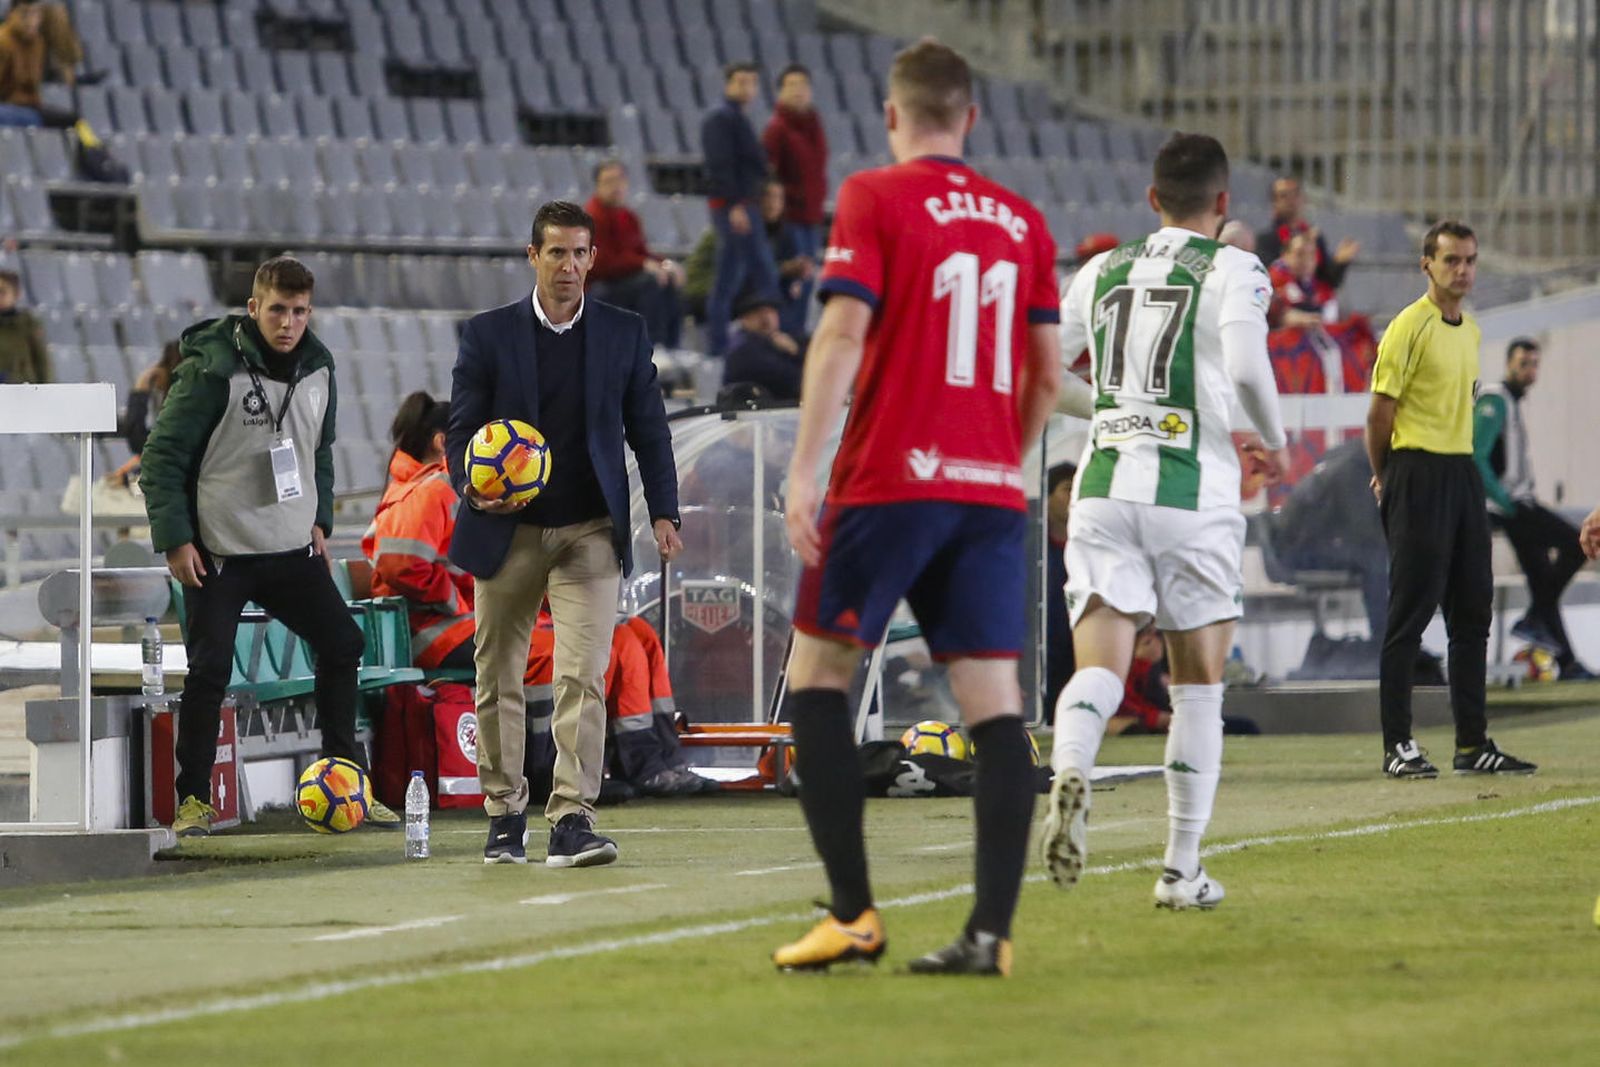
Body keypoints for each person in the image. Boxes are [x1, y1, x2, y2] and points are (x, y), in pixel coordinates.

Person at [770, 39, 1072, 977]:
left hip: (890, 479)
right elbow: (1051, 373)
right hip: (987, 492)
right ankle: (991, 932)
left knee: (817, 679)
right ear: (970, 119)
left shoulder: (872, 194)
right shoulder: (1024, 221)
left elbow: (840, 333)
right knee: (995, 709)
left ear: (893, 115)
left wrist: (804, 468)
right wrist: (999, 461)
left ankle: (856, 914)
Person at [1042, 133, 1290, 913]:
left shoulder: (1100, 269)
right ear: (1224, 205)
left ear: (1151, 200)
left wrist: (1114, 407)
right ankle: (1181, 869)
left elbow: (1043, 375)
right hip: (1194, 489)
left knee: (1100, 669)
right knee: (1196, 690)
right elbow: (1250, 369)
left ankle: (1073, 765)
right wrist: (1273, 441)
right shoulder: (1235, 266)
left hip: (1106, 483)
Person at [447, 200, 683, 867]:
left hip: (589, 530)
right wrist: (475, 484)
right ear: (533, 256)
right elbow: (461, 431)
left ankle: (573, 818)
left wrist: (664, 510)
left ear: (593, 259)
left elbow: (650, 429)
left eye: (581, 253)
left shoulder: (624, 332)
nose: (570, 266)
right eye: (557, 253)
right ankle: (503, 814)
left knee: (585, 673)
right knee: (497, 674)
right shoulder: (487, 335)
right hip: (507, 528)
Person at [139, 256, 391, 836]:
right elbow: (161, 458)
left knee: (343, 642)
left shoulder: (319, 365)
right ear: (253, 308)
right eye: (277, 309)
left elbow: (318, 451)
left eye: (300, 311)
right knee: (209, 672)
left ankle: (347, 777)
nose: (288, 322)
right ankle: (194, 801)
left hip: (289, 551)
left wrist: (320, 519)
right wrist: (176, 540)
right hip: (219, 555)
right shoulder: (212, 369)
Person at [364, 392, 712, 797]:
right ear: (444, 442)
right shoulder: (434, 489)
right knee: (548, 653)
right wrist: (457, 599)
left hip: (468, 619)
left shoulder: (463, 487)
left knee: (635, 636)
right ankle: (549, 773)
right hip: (437, 630)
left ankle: (653, 760)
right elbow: (400, 565)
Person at [1365, 220, 1536, 778]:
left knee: (1472, 612)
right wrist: (1384, 475)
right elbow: (1379, 414)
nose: (1462, 270)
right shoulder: (1407, 328)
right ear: (1427, 265)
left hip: (1461, 475)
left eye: (1469, 260)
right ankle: (1398, 745)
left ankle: (1472, 743)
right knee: (1409, 614)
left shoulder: (1472, 331)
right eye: (1451, 261)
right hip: (1416, 471)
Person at [1473, 339, 1593, 679]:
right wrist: (1505, 501)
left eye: (1535, 364)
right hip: (1510, 507)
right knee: (1577, 542)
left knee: (1542, 581)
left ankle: (1566, 662)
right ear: (1509, 363)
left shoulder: (1510, 401)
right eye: (1524, 362)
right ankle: (1534, 617)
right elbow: (1476, 455)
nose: (1531, 371)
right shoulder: (1496, 400)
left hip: (1514, 504)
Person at [700, 60, 780, 357]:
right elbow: (721, 165)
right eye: (741, 81)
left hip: (743, 204)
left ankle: (722, 345)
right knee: (762, 274)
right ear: (728, 85)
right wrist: (734, 205)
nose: (747, 87)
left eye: (751, 82)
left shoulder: (739, 118)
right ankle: (763, 341)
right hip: (735, 206)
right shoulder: (720, 119)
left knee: (729, 276)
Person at [584, 159, 685, 349]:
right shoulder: (591, 217)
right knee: (650, 282)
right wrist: (642, 264)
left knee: (668, 279)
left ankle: (672, 346)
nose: (616, 186)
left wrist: (665, 264)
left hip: (624, 280)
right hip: (598, 287)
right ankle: (653, 345)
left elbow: (641, 252)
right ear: (598, 185)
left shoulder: (627, 216)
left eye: (620, 180)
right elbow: (602, 264)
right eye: (609, 181)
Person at [762, 63, 826, 318]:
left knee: (807, 282)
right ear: (780, 92)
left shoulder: (815, 128)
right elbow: (769, 175)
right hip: (789, 218)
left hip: (811, 217)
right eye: (792, 86)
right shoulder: (776, 129)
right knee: (792, 282)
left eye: (803, 85)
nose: (799, 91)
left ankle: (797, 340)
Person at [1255, 176, 1358, 289]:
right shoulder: (1266, 240)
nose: (1291, 200)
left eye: (1295, 194)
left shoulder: (1315, 238)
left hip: (1312, 303)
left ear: (1303, 199)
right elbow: (1266, 279)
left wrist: (1339, 262)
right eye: (1284, 196)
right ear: (1274, 203)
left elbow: (1328, 282)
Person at [107, 341, 182, 485]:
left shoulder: (189, 412)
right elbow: (153, 449)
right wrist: (126, 472)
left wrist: (140, 390)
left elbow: (143, 443)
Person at [0, 1, 76, 127]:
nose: (32, 21)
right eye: (26, 14)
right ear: (12, 14)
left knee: (74, 120)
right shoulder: (3, 41)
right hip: (7, 105)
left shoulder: (38, 43)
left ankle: (92, 145)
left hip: (29, 106)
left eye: (36, 14)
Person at [758, 178, 815, 338]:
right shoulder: (746, 231)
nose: (773, 203)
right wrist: (783, 269)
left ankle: (796, 335)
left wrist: (798, 275)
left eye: (778, 198)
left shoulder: (787, 233)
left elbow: (795, 263)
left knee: (804, 283)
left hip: (780, 293)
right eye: (768, 196)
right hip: (750, 295)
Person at [722, 291, 803, 401]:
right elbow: (791, 379)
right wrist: (794, 352)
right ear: (744, 319)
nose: (766, 318)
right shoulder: (744, 348)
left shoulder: (778, 341)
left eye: (771, 312)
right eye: (758, 313)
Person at [1043, 462, 1076, 712]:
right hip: (1042, 655)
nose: (1074, 496)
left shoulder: (1088, 547)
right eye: (1067, 489)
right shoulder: (1032, 548)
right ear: (1048, 495)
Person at [1269, 230, 1341, 327]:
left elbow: (1331, 324)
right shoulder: (1270, 284)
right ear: (1285, 256)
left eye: (1311, 255)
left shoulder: (1325, 292)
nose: (1306, 260)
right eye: (1300, 254)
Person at [0, 266, 50, 382]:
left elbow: (40, 359)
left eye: (2, 292)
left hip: (22, 389)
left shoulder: (27, 323)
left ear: (16, 294)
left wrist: (45, 390)